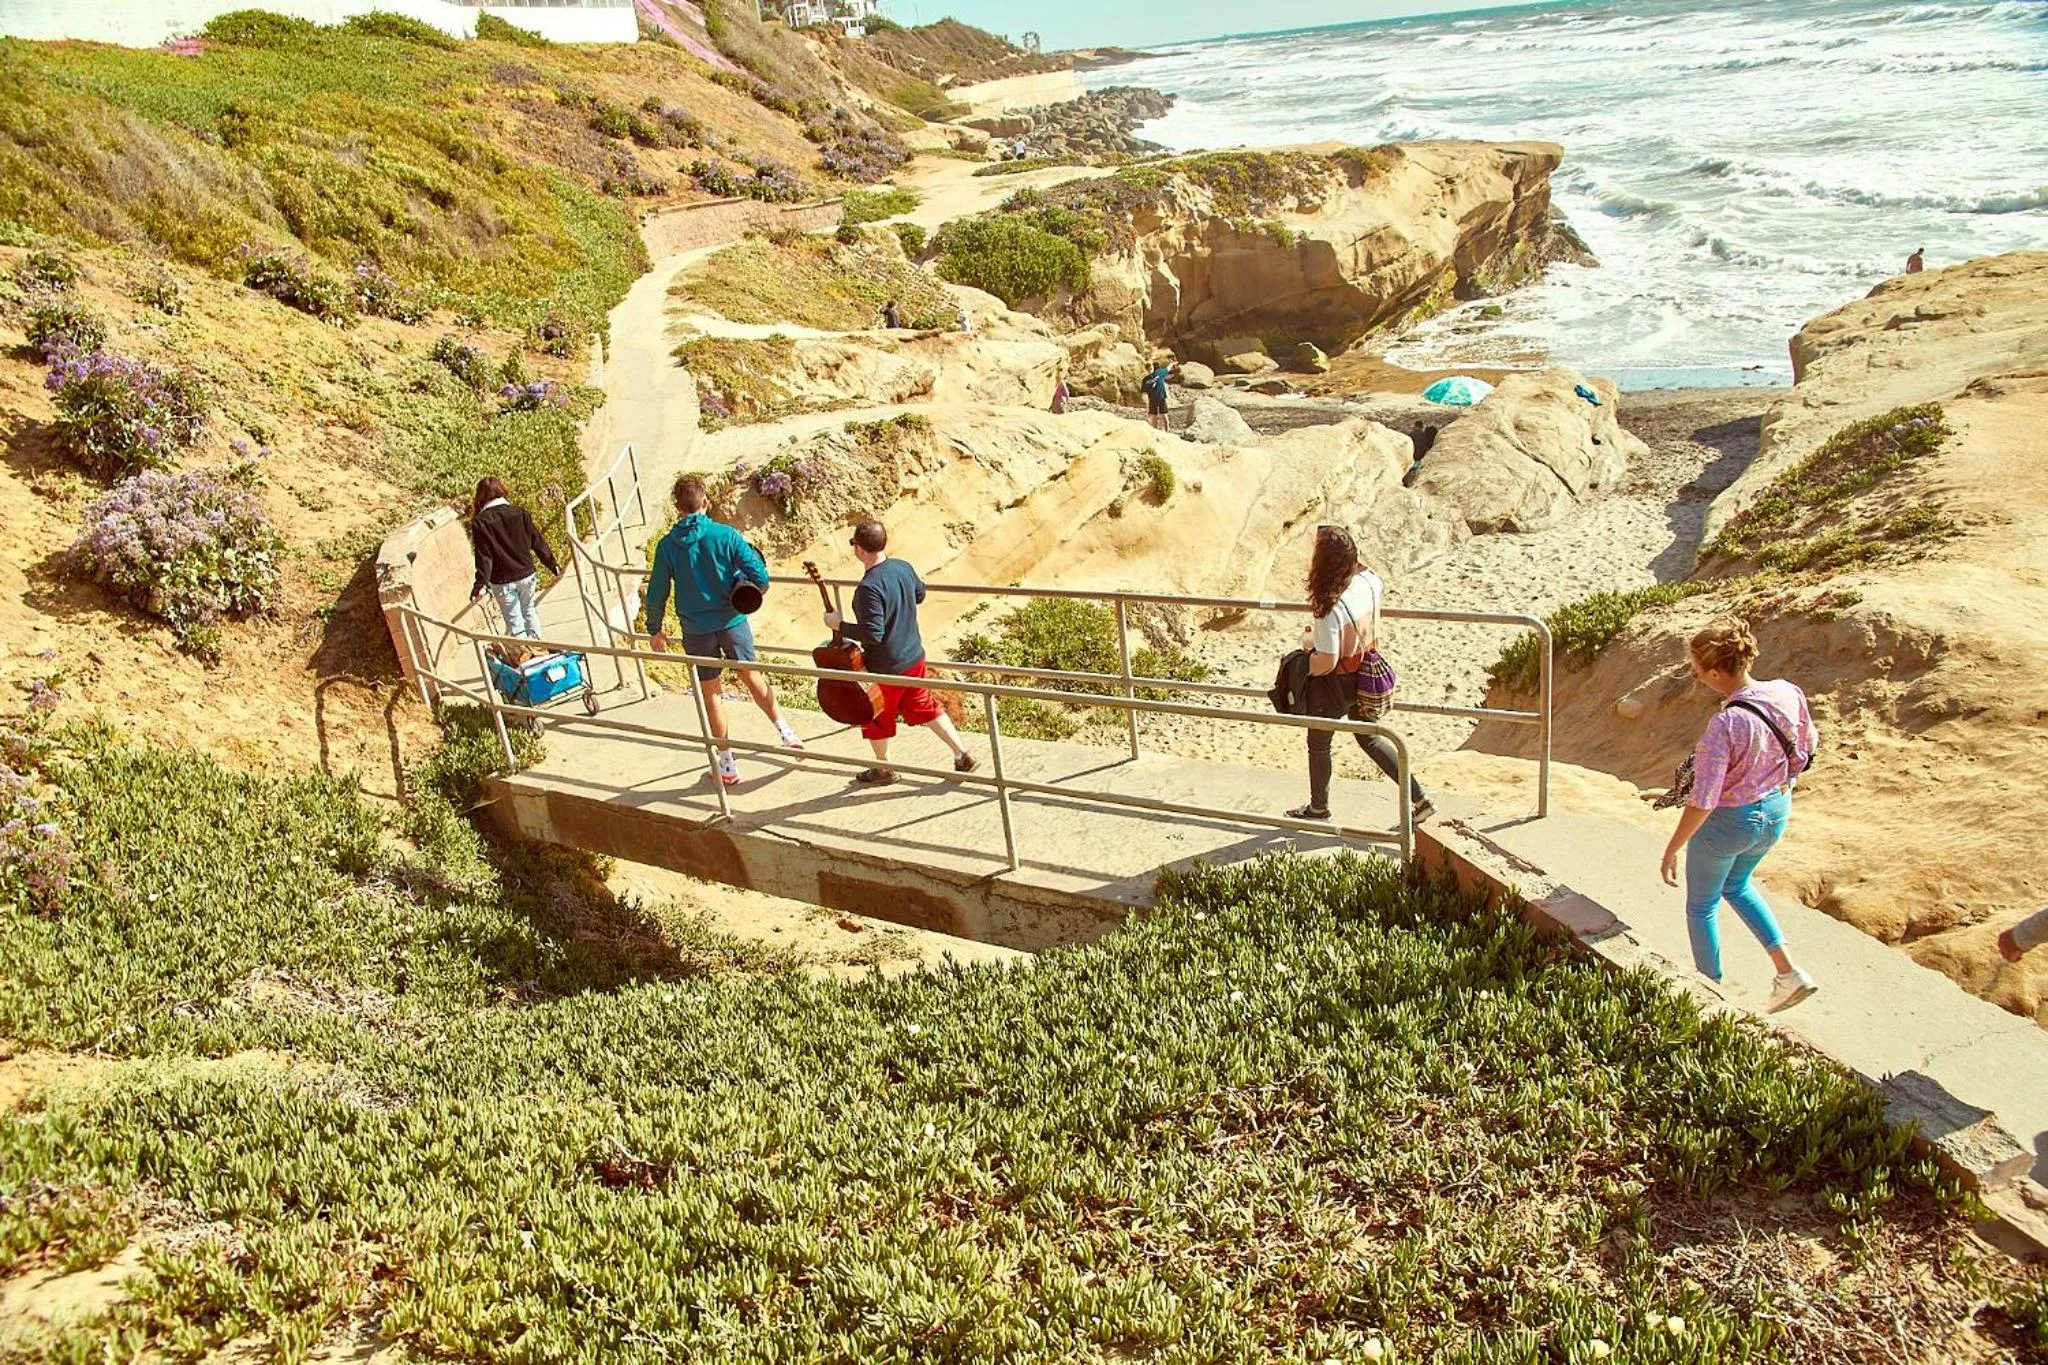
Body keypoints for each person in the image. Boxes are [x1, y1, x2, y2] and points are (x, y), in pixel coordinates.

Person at [1659, 618, 1819, 1012]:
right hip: (1777, 811)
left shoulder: (1725, 724)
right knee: (1738, 885)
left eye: (1698, 672)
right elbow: (1808, 746)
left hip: (1730, 823)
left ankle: (1711, 993)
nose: (1697, 677)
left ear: (1715, 673)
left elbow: (1704, 799)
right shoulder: (1786, 691)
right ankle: (1788, 972)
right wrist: (1786, 781)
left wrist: (1671, 849)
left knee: (1702, 905)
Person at [646, 474, 805, 786]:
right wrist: (742, 590)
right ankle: (786, 732)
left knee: (712, 694)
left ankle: (728, 766)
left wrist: (655, 629)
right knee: (752, 675)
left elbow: (657, 591)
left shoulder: (667, 546)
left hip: (695, 628)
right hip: (732, 621)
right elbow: (760, 575)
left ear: (677, 507)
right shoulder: (727, 535)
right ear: (705, 502)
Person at [1285, 525, 1433, 824]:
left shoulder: (1328, 606)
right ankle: (1420, 798)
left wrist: (1301, 660)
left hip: (1336, 682)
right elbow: (1366, 570)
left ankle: (1318, 808)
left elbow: (1327, 660)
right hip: (1366, 673)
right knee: (1370, 739)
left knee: (1319, 741)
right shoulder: (1369, 581)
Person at [824, 520, 975, 785]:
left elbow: (873, 634)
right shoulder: (903, 567)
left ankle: (883, 769)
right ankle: (962, 754)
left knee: (875, 716)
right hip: (914, 656)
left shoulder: (868, 588)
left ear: (859, 549)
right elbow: (920, 594)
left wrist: (839, 625)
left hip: (888, 667)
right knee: (925, 706)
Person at [468, 477, 559, 640]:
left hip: (503, 581)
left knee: (515, 624)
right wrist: (552, 564)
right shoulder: (519, 512)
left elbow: (484, 558)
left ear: (480, 497)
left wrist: (479, 585)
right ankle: (538, 649)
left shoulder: (481, 522)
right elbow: (537, 541)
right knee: (530, 611)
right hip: (527, 574)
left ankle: (526, 658)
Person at [1404, 421, 1438, 487]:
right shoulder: (1425, 435)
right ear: (1422, 426)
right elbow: (1427, 445)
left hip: (1412, 456)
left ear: (1415, 425)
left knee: (1410, 470)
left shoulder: (1410, 434)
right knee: (1417, 472)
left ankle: (1407, 483)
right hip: (1421, 456)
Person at [1141, 360, 1172, 431]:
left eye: (1151, 368)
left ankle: (1167, 430)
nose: (1150, 370)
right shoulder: (1145, 380)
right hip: (1152, 399)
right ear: (1146, 370)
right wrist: (1145, 402)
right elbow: (1144, 392)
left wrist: (1172, 364)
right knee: (1153, 416)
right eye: (1149, 369)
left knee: (1164, 414)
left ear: (1153, 368)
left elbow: (1168, 368)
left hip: (1161, 397)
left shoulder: (1159, 373)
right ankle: (1156, 430)